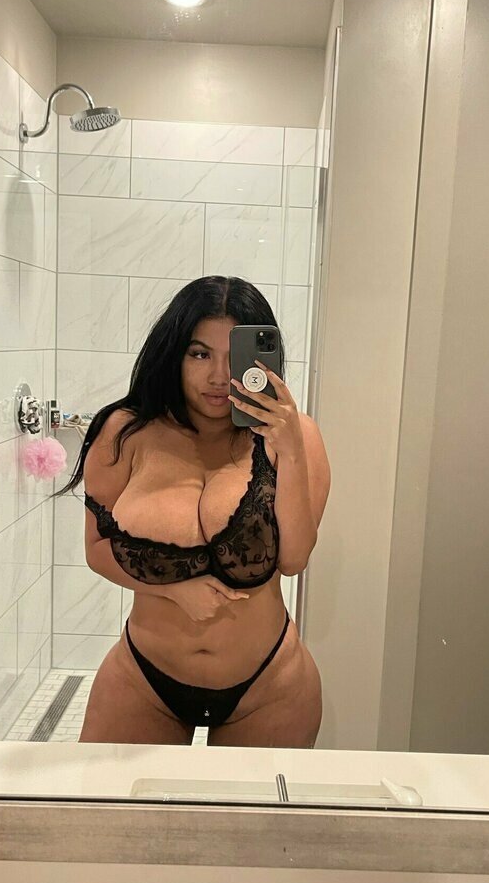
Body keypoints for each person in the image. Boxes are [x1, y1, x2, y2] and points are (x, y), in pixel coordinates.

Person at [56, 276, 330, 747]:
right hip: (144, 681)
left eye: (233, 357)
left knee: (254, 803)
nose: (219, 376)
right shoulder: (125, 432)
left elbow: (294, 559)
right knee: (108, 798)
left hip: (269, 685)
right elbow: (96, 549)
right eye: (200, 354)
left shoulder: (296, 437)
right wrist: (174, 590)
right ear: (173, 354)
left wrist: (289, 449)